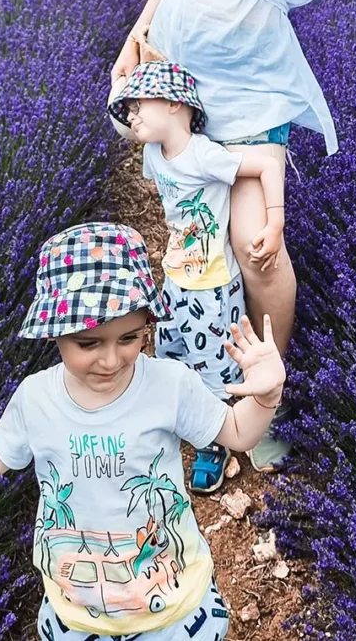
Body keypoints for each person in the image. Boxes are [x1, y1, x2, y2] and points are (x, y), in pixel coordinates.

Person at [110, 0, 356, 468]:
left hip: (252, 83)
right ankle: (199, 398)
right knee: (197, 244)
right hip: (183, 76)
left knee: (258, 249)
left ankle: (259, 395)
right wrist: (138, 34)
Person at [0, 222, 286, 641]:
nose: (111, 359)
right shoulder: (36, 399)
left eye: (130, 337)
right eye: (89, 343)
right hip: (77, 611)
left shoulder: (170, 385)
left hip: (174, 604)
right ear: (55, 333)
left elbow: (236, 432)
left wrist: (266, 398)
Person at [108, 62, 285, 492]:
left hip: (213, 286)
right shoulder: (154, 154)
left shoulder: (203, 154)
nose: (130, 115)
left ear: (174, 103)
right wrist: (123, 80)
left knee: (219, 366)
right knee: (173, 354)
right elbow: (129, 124)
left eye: (137, 105)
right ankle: (185, 421)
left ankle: (220, 438)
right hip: (173, 280)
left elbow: (266, 166)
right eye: (128, 108)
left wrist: (274, 224)